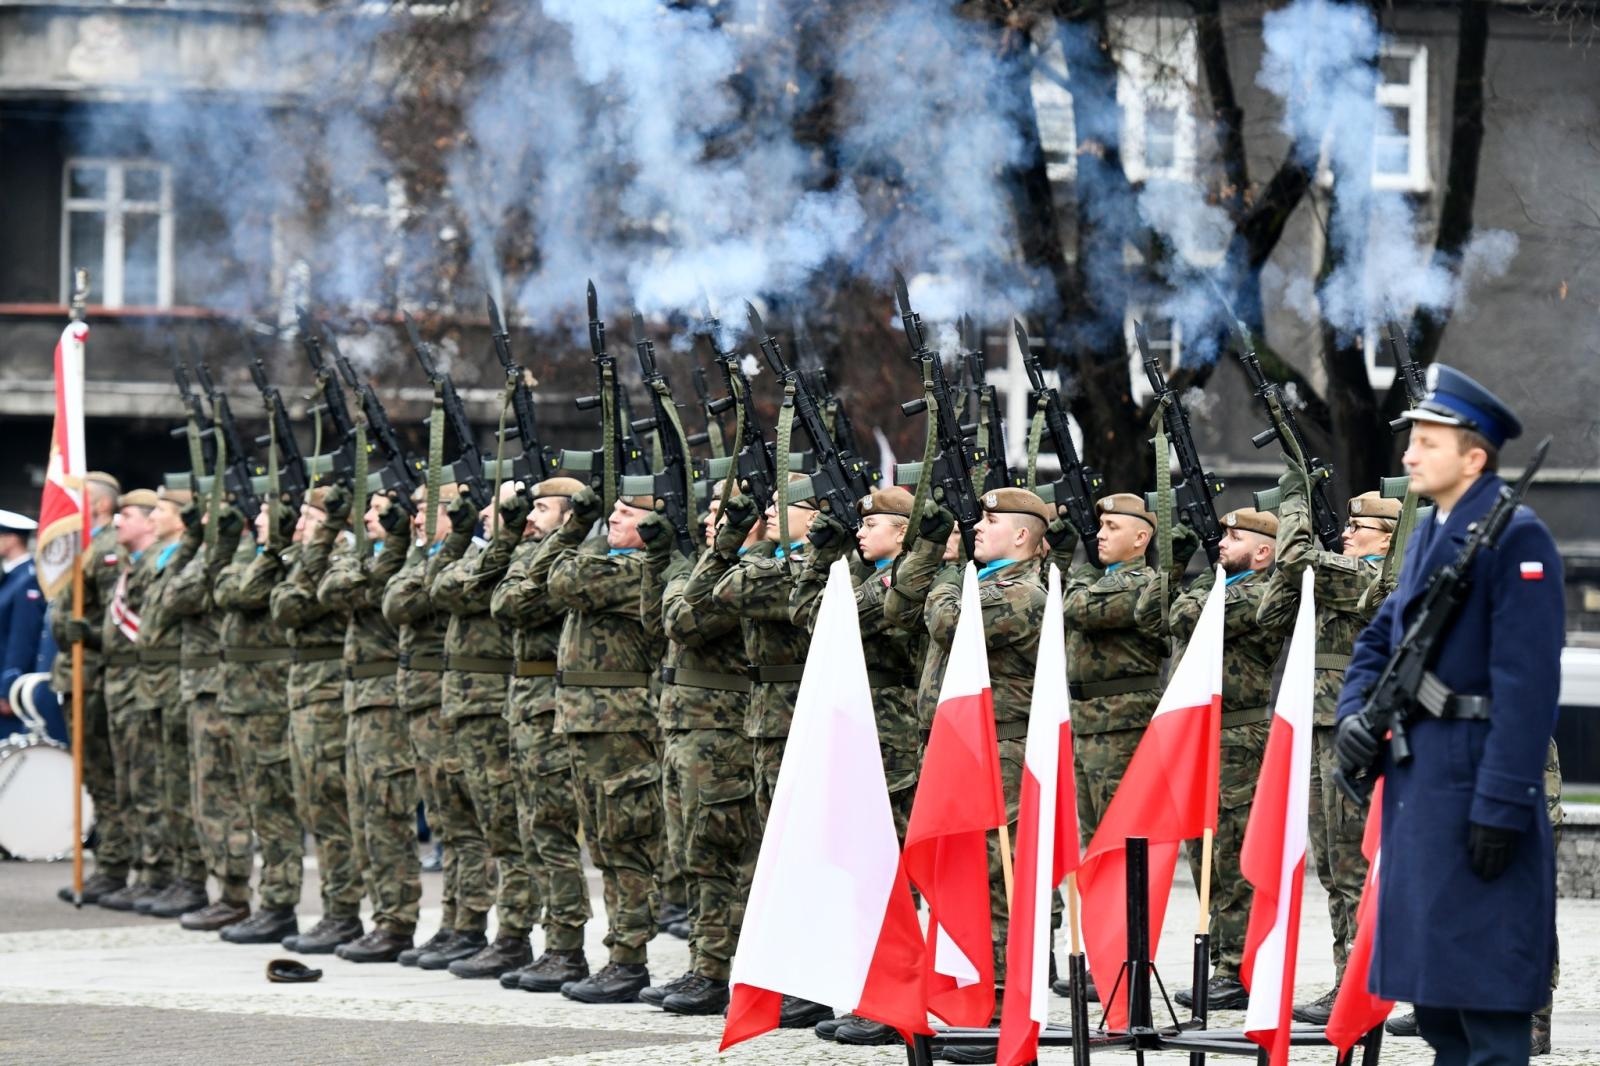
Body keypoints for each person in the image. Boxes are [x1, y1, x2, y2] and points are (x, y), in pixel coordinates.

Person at [1337, 365, 1563, 1066]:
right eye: (1414, 441)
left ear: (1475, 456)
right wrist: (1354, 714)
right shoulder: (1436, 530)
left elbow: (1527, 690)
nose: (1409, 455)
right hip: (1422, 787)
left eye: (1429, 442)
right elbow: (1381, 636)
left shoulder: (1516, 538)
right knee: (1439, 1008)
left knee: (1489, 1011)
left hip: (1474, 793)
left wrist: (1500, 806)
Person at [681, 474, 825, 1029]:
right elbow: (697, 605)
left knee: (810, 855)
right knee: (780, 856)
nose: (766, 513)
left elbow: (729, 592)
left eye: (779, 506)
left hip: (803, 719)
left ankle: (814, 978)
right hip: (767, 721)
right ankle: (793, 975)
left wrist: (756, 543)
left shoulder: (812, 565)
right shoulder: (779, 561)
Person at [1257, 466, 1398, 1024]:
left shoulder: (1377, 573)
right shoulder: (1337, 573)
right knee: (1332, 866)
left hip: (1353, 726)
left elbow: (1294, 558)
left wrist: (1294, 500)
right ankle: (1348, 979)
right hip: (1321, 724)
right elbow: (1274, 610)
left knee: (1354, 863)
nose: (1346, 534)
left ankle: (1367, 983)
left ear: (1388, 537)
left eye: (1358, 526)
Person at [1144, 506, 1290, 1011]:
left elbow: (1186, 614)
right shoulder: (1225, 585)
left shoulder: (1258, 592)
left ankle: (1238, 967)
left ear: (1265, 551)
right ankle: (1223, 958)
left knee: (1230, 852)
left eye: (1234, 537)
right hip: (1203, 735)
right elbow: (1153, 612)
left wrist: (1208, 576)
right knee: (1203, 850)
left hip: (1238, 736)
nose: (1223, 543)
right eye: (1222, 535)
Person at [635, 492, 760, 1017]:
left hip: (721, 731)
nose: (714, 524)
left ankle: (726, 970)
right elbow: (657, 619)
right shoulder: (705, 568)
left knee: (722, 856)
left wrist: (727, 545)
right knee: (694, 855)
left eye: (726, 516)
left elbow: (688, 622)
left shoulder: (743, 574)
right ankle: (704, 966)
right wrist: (661, 560)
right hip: (685, 729)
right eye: (711, 515)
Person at [544, 486, 666, 1004]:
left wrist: (578, 532)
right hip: (587, 723)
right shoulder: (612, 562)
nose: (612, 519)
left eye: (625, 513)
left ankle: (629, 959)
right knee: (603, 845)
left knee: (627, 844)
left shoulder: (640, 572)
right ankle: (618, 954)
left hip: (621, 725)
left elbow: (561, 577)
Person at [489, 477, 595, 993]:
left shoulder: (573, 558)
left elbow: (523, 603)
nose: (531, 517)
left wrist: (570, 533)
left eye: (543, 509)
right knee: (532, 830)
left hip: (553, 706)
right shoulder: (537, 552)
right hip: (525, 706)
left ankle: (566, 948)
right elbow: (502, 598)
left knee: (553, 832)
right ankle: (549, 942)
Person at [428, 484, 536, 979]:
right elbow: (441, 587)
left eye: (502, 506)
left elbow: (473, 591)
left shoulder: (521, 556)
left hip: (494, 704)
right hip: (466, 705)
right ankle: (466, 922)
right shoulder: (489, 553)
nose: (493, 514)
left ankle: (512, 934)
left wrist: (502, 537)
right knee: (465, 824)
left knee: (503, 828)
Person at [383, 483, 487, 969]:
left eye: (432, 510)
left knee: (465, 823)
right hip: (426, 701)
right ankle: (452, 922)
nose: (419, 519)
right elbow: (397, 601)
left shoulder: (469, 555)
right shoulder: (431, 554)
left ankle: (470, 924)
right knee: (445, 822)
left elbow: (418, 597)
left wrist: (448, 547)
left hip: (452, 701)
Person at [315, 486, 418, 963]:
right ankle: (381, 916)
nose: (373, 520)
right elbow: (329, 590)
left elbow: (376, 595)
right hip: (359, 697)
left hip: (386, 698)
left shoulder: (407, 556)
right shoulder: (367, 554)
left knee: (386, 811)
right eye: (371, 512)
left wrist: (391, 548)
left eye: (382, 512)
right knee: (362, 815)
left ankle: (397, 920)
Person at [269, 488, 364, 953]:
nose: (302, 526)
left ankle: (344, 911)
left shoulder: (339, 554)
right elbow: (280, 606)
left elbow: (296, 606)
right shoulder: (304, 557)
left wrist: (318, 548)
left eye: (310, 517)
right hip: (305, 690)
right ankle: (334, 908)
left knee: (332, 805)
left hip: (327, 691)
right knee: (314, 807)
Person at [213, 502, 305, 945]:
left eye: (269, 515)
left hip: (269, 702)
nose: (260, 521)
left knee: (275, 810)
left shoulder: (287, 561)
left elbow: (250, 596)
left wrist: (270, 553)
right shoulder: (256, 555)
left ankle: (279, 904)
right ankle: (268, 901)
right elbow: (226, 591)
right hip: (243, 700)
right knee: (255, 805)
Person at [161, 492, 253, 931]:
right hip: (202, 688)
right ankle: (226, 891)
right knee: (206, 796)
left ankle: (237, 895)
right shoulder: (209, 551)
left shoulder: (239, 552)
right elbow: (169, 593)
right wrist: (197, 539)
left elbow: (182, 596)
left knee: (222, 796)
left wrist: (212, 544)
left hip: (223, 689)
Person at [50, 473, 134, 902]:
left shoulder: (108, 551)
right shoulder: (83, 547)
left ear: (100, 505)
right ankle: (111, 863)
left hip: (98, 675)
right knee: (95, 776)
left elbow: (116, 618)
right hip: (77, 673)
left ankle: (117, 864)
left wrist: (91, 636)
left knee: (107, 775)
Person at [133, 487, 210, 919]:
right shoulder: (162, 556)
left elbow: (175, 603)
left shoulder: (188, 554)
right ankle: (176, 873)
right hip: (155, 680)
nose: (152, 517)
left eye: (160, 510)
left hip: (178, 678)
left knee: (184, 785)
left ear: (183, 517)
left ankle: (191, 876)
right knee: (162, 783)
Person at [94, 490, 172, 912]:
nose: (119, 523)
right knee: (127, 780)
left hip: (148, 680)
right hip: (123, 681)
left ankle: (158, 871)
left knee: (149, 781)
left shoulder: (161, 560)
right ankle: (144, 869)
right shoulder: (131, 564)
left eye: (129, 515)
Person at [0, 509, 43, 742]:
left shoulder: (27, 579)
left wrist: (9, 689)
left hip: (10, 689)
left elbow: (22, 637)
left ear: (12, 538)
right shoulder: (11, 577)